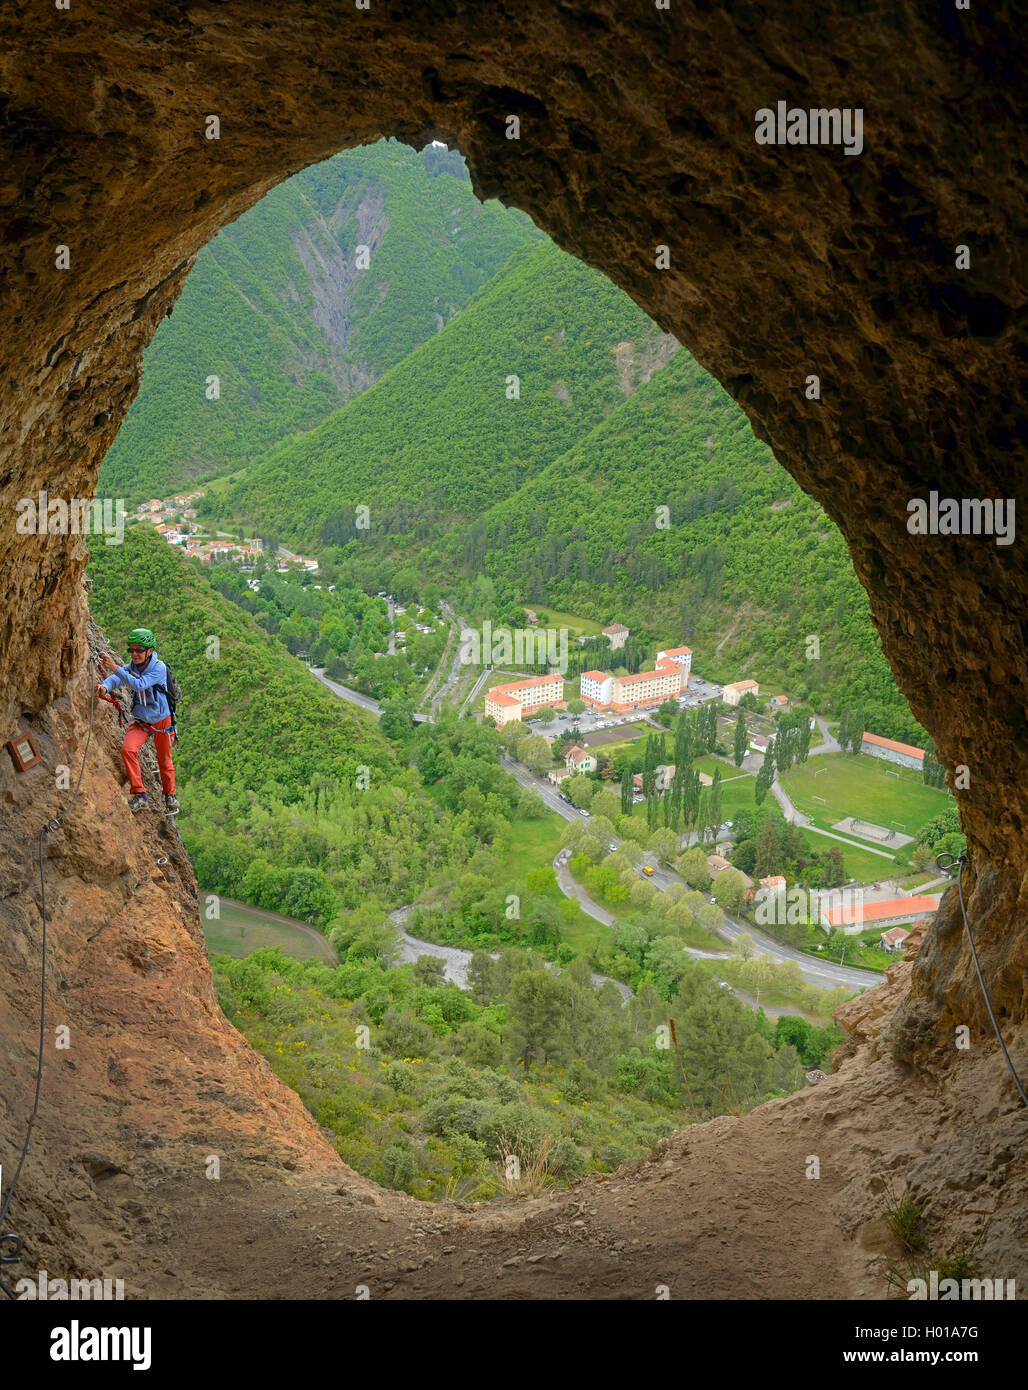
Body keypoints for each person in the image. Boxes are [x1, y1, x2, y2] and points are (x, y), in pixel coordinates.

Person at [96, 628, 179, 815]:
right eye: (131, 650)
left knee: (164, 760)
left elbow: (139, 684)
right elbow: (117, 679)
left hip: (162, 721)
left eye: (139, 650)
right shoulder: (132, 667)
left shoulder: (159, 668)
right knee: (128, 749)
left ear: (150, 651)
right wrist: (105, 687)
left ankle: (170, 795)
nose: (134, 654)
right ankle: (140, 795)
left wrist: (115, 667)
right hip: (142, 721)